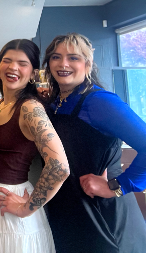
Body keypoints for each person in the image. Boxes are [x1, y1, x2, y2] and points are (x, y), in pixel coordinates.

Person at [41, 33, 146, 252]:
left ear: (87, 64)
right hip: (67, 213)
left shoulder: (100, 102)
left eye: (73, 58)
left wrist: (117, 186)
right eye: (56, 57)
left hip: (102, 215)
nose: (63, 64)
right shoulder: (56, 103)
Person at [0, 39, 69, 253]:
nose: (13, 67)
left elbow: (59, 167)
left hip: (11, 206)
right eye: (7, 60)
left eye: (22, 63)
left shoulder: (30, 108)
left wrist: (25, 209)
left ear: (33, 73)